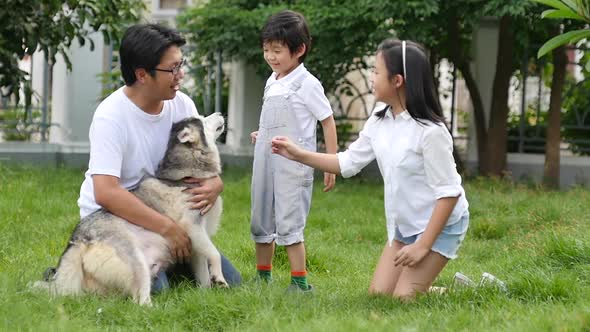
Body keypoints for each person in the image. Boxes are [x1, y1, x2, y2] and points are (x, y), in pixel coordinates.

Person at [271, 39, 469, 299]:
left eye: (376, 72)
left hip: (440, 225)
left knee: (401, 300)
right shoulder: (381, 117)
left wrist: (422, 246)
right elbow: (348, 163)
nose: (371, 77)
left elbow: (449, 193)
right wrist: (298, 154)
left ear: (397, 80)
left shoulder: (431, 133)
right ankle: (454, 286)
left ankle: (474, 289)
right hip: (406, 225)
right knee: (379, 295)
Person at [76, 23, 241, 291]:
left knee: (231, 283)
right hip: (115, 220)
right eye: (172, 69)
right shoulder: (111, 116)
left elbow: (198, 160)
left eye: (180, 64)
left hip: (165, 210)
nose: (181, 74)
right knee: (156, 289)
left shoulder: (182, 104)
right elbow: (106, 192)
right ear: (142, 75)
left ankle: (172, 261)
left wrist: (215, 184)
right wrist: (167, 229)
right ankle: (90, 271)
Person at [249, 10, 338, 291]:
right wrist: (262, 135)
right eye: (266, 50)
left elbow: (327, 121)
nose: (270, 57)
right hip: (265, 160)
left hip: (293, 166)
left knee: (290, 220)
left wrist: (330, 163)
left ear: (299, 50)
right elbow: (275, 122)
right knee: (261, 216)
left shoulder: (307, 84)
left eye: (277, 50)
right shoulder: (271, 81)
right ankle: (263, 277)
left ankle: (300, 283)